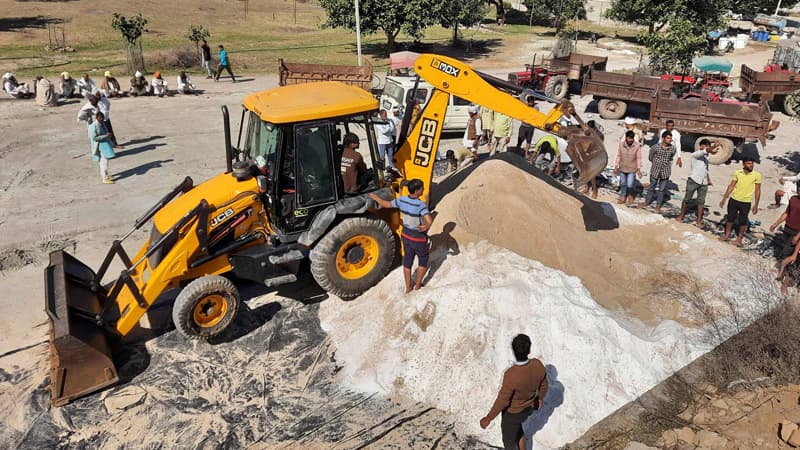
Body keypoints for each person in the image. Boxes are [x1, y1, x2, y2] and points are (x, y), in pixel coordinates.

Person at [480, 334, 549, 450]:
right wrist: (540, 397)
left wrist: (488, 418)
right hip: (529, 408)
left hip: (512, 414)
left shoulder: (511, 375)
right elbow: (544, 384)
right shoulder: (537, 364)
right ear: (529, 350)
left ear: (513, 351)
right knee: (518, 429)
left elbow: (502, 401)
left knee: (509, 443)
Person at [369, 179, 433, 293]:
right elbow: (429, 220)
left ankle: (408, 287)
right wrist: (426, 226)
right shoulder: (420, 205)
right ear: (417, 191)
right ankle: (418, 285)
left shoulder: (402, 200)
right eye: (422, 188)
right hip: (417, 237)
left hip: (405, 235)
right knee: (423, 260)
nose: (423, 189)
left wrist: (376, 197)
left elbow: (386, 204)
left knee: (407, 262)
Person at [719, 158, 761, 246]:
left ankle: (739, 239)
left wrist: (756, 204)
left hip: (746, 202)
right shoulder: (738, 173)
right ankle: (727, 235)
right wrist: (724, 198)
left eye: (752, 163)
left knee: (743, 221)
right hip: (734, 199)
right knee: (730, 218)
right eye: (749, 163)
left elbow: (757, 190)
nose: (751, 165)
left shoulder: (757, 175)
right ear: (744, 164)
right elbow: (731, 186)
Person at [676, 139, 716, 228]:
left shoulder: (706, 157)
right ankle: (681, 216)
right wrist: (714, 146)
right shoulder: (696, 154)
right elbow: (706, 151)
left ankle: (698, 221)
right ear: (701, 146)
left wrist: (708, 180)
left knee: (701, 202)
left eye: (708, 146)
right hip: (693, 180)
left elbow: (706, 169)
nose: (707, 148)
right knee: (687, 199)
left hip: (703, 182)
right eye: (706, 146)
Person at [640, 131, 680, 213]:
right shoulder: (655, 147)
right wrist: (656, 162)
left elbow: (671, 157)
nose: (670, 140)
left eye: (670, 138)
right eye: (668, 138)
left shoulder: (673, 148)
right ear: (663, 138)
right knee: (651, 187)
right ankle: (647, 202)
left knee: (662, 190)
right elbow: (650, 157)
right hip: (655, 170)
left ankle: (658, 205)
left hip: (665, 172)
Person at [770, 179, 800, 258]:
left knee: (787, 251)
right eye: (798, 187)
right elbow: (786, 213)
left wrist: (797, 237)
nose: (799, 190)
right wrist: (775, 224)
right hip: (787, 227)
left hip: (797, 231)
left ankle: (784, 264)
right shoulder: (793, 199)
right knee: (785, 245)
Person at [613, 130, 642, 206]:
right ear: (626, 138)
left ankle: (630, 195)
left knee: (629, 184)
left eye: (632, 138)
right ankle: (623, 196)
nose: (630, 140)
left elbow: (638, 158)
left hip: (632, 168)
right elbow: (618, 156)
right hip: (622, 168)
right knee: (623, 183)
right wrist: (616, 166)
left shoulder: (637, 146)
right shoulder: (621, 145)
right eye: (629, 138)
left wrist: (638, 168)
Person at [89, 111, 116, 184]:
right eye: (100, 118)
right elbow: (94, 138)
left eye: (102, 118)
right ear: (97, 117)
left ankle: (104, 175)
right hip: (99, 146)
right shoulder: (93, 126)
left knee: (104, 161)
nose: (101, 119)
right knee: (104, 162)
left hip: (105, 145)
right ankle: (104, 178)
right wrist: (105, 136)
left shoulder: (102, 123)